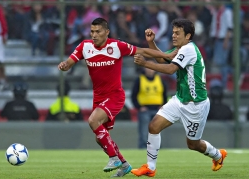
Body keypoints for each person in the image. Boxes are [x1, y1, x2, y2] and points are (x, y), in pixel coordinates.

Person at [58, 17, 177, 177]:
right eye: (92, 31)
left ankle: (114, 158)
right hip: (99, 98)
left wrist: (166, 55)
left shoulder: (116, 46)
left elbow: (143, 51)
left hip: (115, 96)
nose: (94, 35)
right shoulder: (84, 46)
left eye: (98, 31)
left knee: (93, 121)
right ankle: (125, 165)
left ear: (107, 32)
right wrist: (65, 65)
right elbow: (69, 62)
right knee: (100, 139)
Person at [131, 18, 227, 177]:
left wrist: (145, 63)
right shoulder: (180, 49)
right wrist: (151, 43)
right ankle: (150, 167)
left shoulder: (188, 49)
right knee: (154, 126)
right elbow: (162, 59)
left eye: (178, 33)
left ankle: (218, 155)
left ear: (188, 36)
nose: (173, 36)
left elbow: (169, 69)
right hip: (179, 100)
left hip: (196, 105)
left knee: (193, 144)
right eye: (173, 32)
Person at [131, 65, 167, 149]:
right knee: (144, 131)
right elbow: (134, 95)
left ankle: (157, 147)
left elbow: (164, 94)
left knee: (157, 130)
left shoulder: (160, 80)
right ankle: (143, 147)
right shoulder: (139, 80)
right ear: (144, 69)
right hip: (144, 109)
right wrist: (139, 107)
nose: (150, 70)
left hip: (157, 109)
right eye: (148, 67)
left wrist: (163, 105)